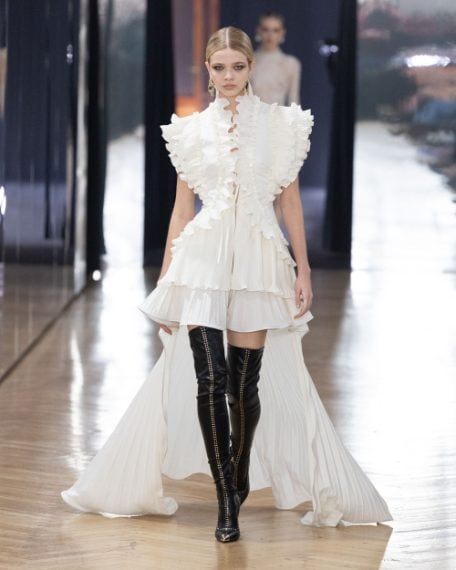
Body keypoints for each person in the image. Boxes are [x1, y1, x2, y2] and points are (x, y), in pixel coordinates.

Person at [61, 26, 392, 544]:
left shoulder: (281, 126)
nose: (230, 76)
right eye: (220, 68)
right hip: (201, 263)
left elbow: (288, 202)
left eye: (238, 66)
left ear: (251, 68)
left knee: (243, 385)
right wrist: (167, 278)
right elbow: (181, 211)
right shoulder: (191, 132)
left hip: (258, 260)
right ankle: (225, 502)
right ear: (208, 70)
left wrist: (303, 269)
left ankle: (239, 474)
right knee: (210, 380)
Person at [250, 12, 302, 105]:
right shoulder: (247, 61)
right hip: (251, 113)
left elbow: (294, 100)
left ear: (282, 33)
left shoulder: (291, 63)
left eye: (275, 30)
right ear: (258, 30)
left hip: (278, 114)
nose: (270, 35)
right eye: (265, 29)